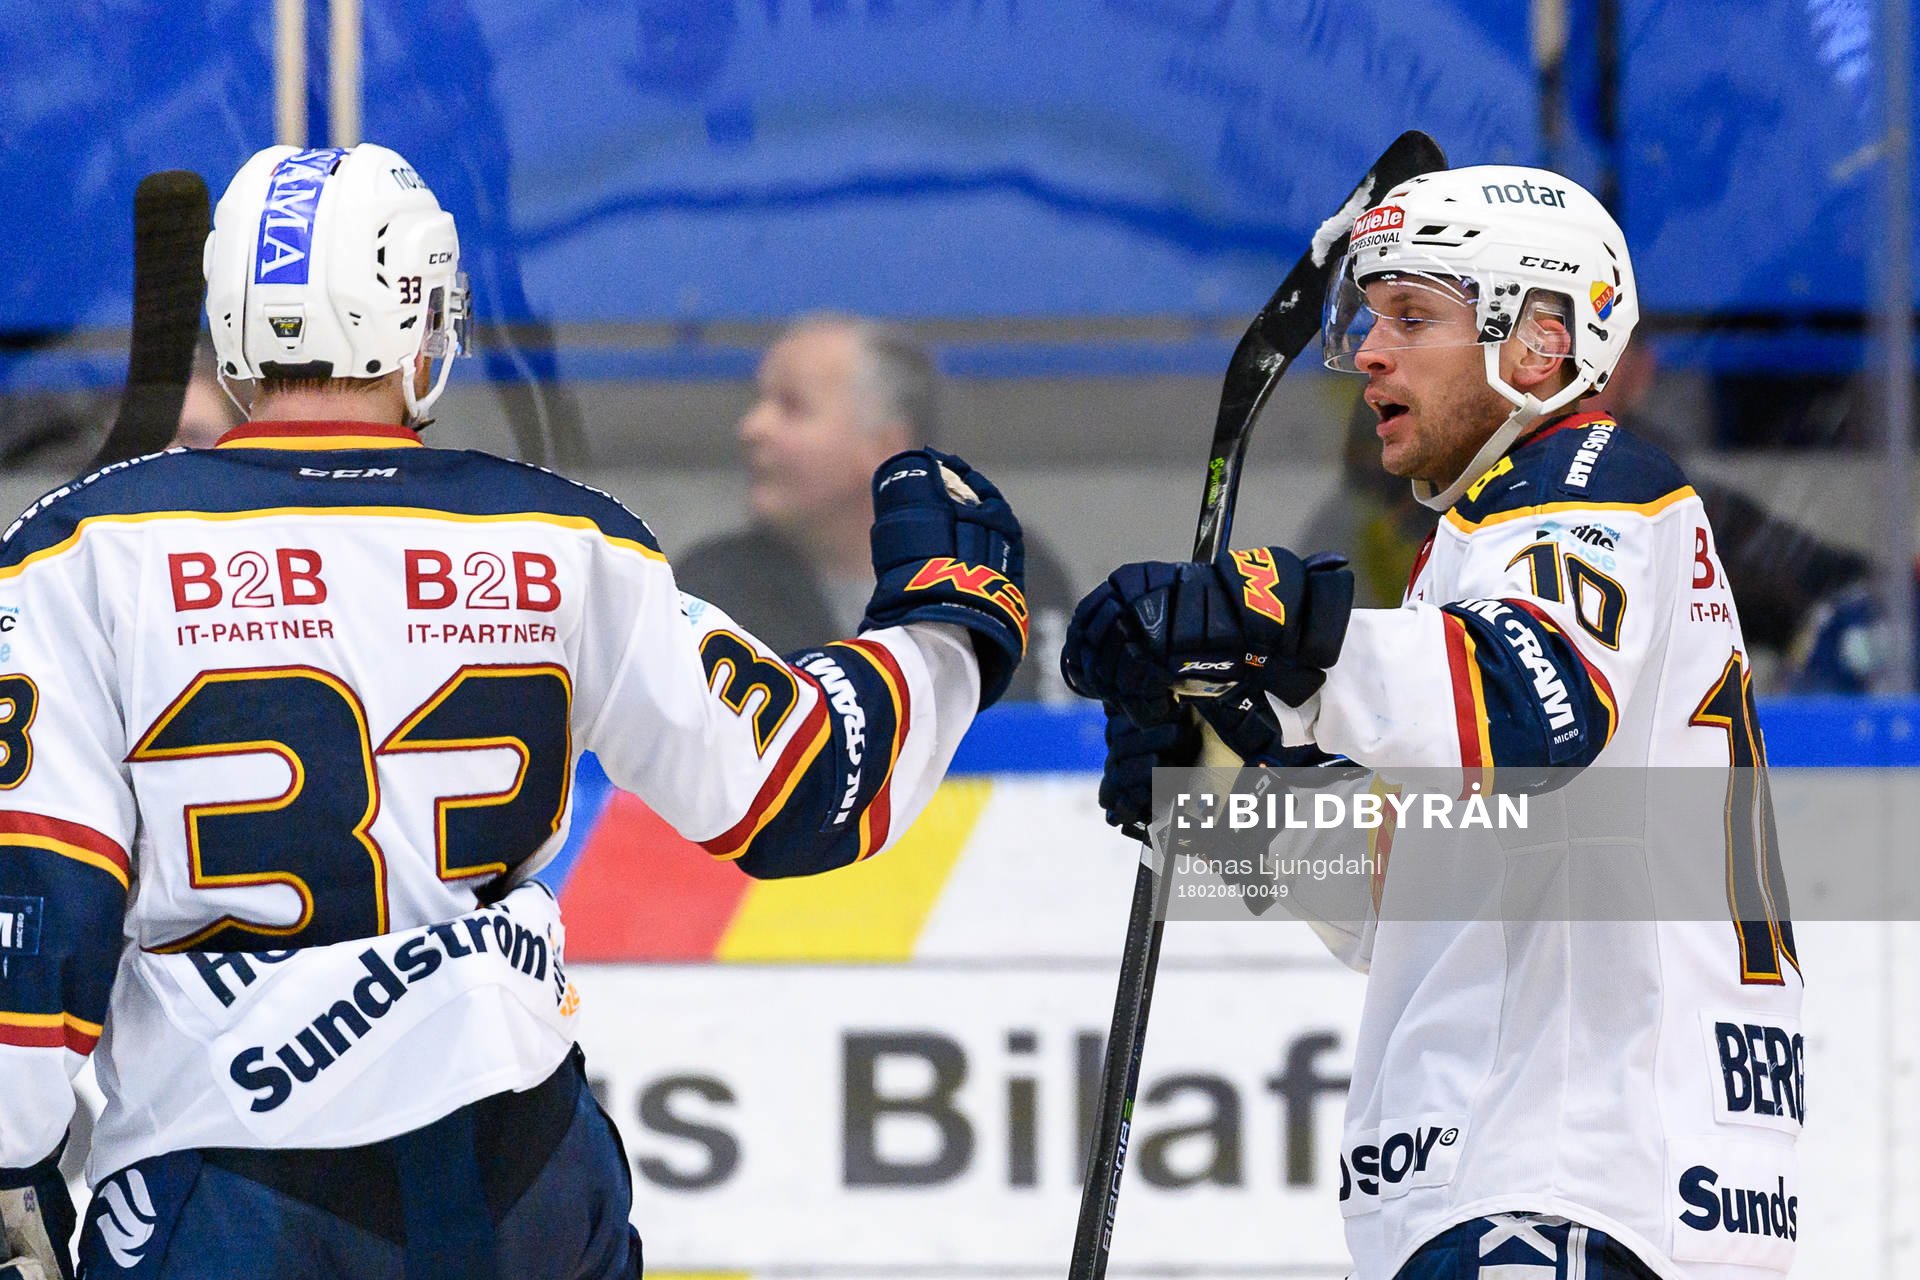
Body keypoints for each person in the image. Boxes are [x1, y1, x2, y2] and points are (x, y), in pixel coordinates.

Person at [0, 143, 1029, 1280]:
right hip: (518, 1173)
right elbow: (804, 789)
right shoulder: (563, 539)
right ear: (421, 314)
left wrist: (11, 1166)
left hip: (228, 1185)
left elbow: (33, 890)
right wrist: (949, 628)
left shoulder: (76, 554)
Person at [1064, 166, 1802, 1278]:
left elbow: (1535, 706)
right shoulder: (1487, 545)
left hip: (1563, 1181)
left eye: (1412, 316)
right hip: (1575, 1182)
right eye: (1366, 315)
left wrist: (1277, 628)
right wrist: (1207, 797)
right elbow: (1398, 892)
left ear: (1541, 341)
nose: (1368, 349)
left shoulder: (1590, 485)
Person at [676, 314, 1076, 701]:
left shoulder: (1006, 572)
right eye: (760, 401)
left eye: (792, 406)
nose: (752, 427)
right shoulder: (710, 589)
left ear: (886, 448)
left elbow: (1048, 749)